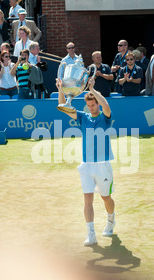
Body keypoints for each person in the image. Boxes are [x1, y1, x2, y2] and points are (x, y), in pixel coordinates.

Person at [55, 77, 116, 246]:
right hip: (86, 165)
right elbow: (63, 108)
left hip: (103, 165)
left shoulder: (105, 117)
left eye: (93, 104)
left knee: (106, 198)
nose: (91, 107)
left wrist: (93, 90)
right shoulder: (83, 117)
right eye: (89, 105)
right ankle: (91, 234)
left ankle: (111, 220)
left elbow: (106, 106)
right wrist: (60, 89)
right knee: (87, 199)